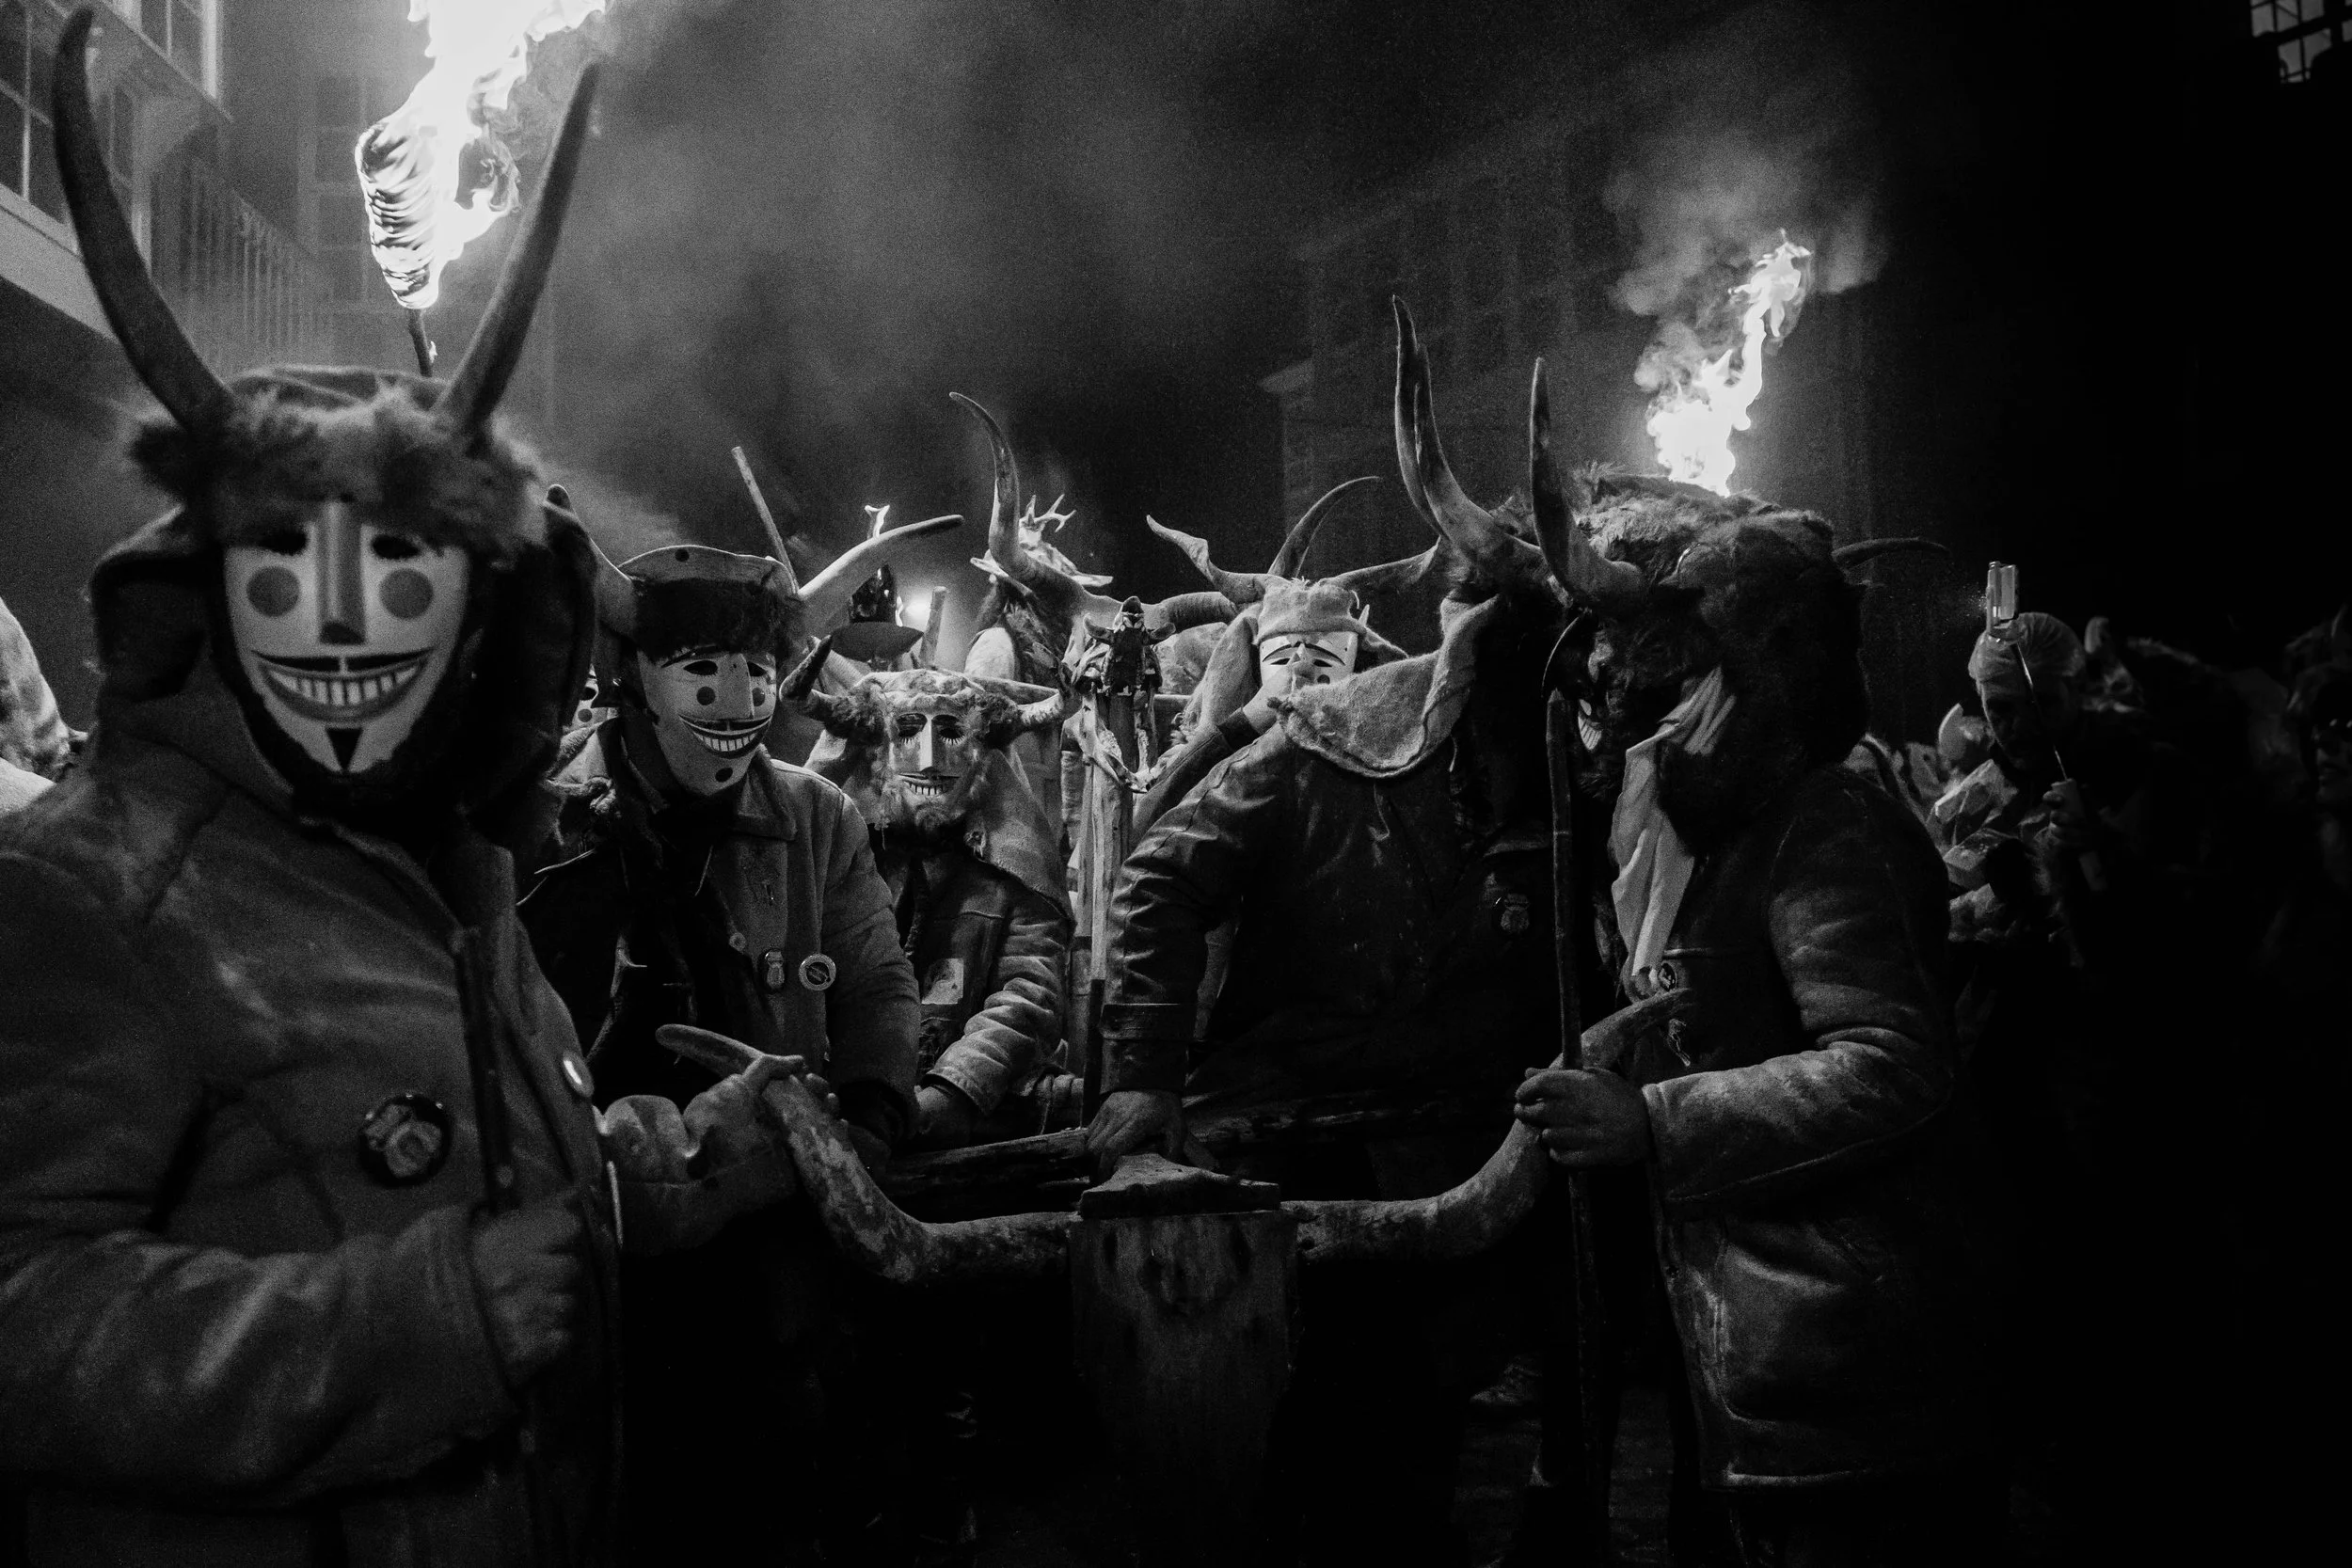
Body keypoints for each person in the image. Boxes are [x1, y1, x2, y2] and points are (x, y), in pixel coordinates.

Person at [0, 42, 781, 1566]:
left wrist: (613, 1171)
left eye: (402, 570)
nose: (344, 628)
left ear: (482, 610)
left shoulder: (461, 876)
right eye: (284, 571)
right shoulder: (93, 890)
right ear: (211, 597)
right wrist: (418, 1322)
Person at [1516, 477, 1993, 1566]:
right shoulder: (1716, 834)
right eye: (1608, 702)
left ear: (1758, 673)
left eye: (1660, 692)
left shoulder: (1825, 822)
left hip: (1858, 1373)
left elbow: (1891, 1064)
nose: (1623, 730)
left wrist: (1652, 1119)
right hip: (1767, 1370)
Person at [517, 534, 924, 1562]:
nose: (738, 697)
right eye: (702, 667)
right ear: (635, 679)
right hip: (585, 1210)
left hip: (769, 1197)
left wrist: (871, 1116)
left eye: (755, 670)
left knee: (775, 1449)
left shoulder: (815, 815)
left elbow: (873, 974)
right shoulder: (540, 816)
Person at [802, 666, 1080, 1148]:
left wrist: (956, 1090)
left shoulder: (1012, 868)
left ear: (980, 753)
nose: (930, 760)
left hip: (973, 1119)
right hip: (835, 1110)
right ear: (875, 752)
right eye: (908, 729)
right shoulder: (833, 858)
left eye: (950, 731)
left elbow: (1028, 991)